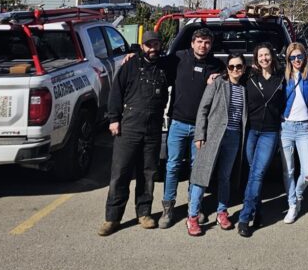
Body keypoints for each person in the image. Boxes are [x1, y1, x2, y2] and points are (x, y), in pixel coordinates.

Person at [99, 31, 169, 237]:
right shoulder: (128, 66)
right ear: (141, 46)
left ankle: (144, 213)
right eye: (148, 45)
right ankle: (112, 218)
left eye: (156, 43)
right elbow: (115, 93)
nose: (153, 48)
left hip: (153, 128)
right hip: (129, 126)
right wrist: (113, 119)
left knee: (148, 173)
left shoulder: (165, 66)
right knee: (120, 173)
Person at [159, 28, 225, 229]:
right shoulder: (177, 59)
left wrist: (219, 78)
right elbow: (152, 63)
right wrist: (131, 57)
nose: (202, 45)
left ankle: (194, 208)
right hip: (178, 123)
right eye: (199, 41)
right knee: (172, 166)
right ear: (192, 43)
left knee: (198, 170)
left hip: (201, 127)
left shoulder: (217, 66)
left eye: (206, 42)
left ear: (211, 45)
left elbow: (235, 75)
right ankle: (168, 208)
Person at [186, 53, 248, 236]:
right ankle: (192, 217)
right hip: (212, 136)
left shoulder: (245, 88)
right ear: (226, 68)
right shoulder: (218, 83)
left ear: (244, 68)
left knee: (225, 177)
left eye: (239, 66)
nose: (235, 70)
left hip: (234, 137)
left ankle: (222, 212)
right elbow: (203, 109)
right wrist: (200, 134)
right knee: (201, 176)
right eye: (231, 66)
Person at [238, 42, 285, 237]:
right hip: (251, 131)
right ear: (256, 60)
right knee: (252, 172)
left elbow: (301, 70)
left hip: (270, 132)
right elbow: (231, 73)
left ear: (272, 57)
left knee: (257, 173)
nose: (264, 58)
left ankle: (244, 217)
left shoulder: (282, 78)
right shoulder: (249, 77)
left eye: (267, 55)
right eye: (260, 56)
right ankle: (258, 211)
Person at [280, 42, 308, 224]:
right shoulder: (283, 76)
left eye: (299, 56)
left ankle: (298, 194)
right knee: (289, 170)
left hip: (304, 129)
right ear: (288, 59)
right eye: (292, 57)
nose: (296, 60)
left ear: (305, 57)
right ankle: (292, 204)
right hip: (286, 127)